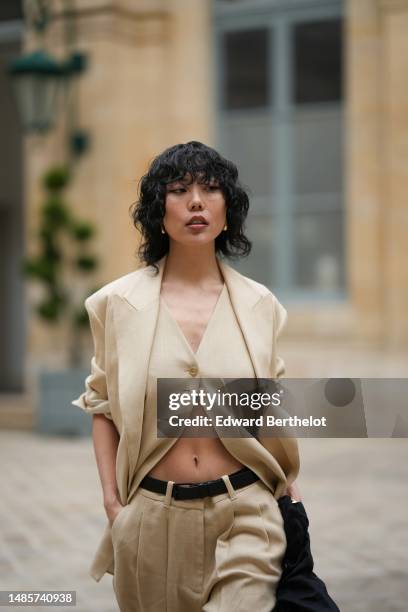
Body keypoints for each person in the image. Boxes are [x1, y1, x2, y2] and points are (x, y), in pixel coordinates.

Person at [72, 141, 300, 611]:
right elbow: (102, 406)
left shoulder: (261, 306)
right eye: (179, 190)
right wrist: (115, 506)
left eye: (211, 189)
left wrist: (288, 486)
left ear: (227, 210)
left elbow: (269, 405)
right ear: (160, 210)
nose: (196, 200)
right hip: (152, 521)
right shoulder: (116, 305)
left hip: (247, 511)